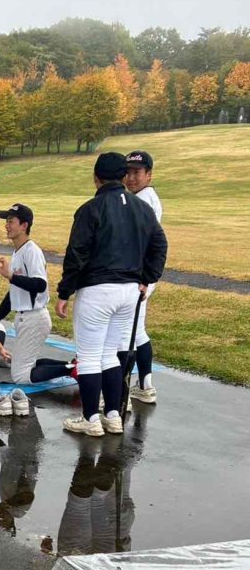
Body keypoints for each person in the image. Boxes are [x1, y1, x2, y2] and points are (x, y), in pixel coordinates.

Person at [55, 152, 168, 438]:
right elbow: (159, 245)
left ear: (96, 178)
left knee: (89, 356)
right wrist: (147, 278)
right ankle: (114, 415)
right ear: (122, 176)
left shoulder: (91, 209)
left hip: (98, 289)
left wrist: (65, 291)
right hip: (129, 291)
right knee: (110, 355)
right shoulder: (141, 208)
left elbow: (77, 253)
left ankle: (91, 418)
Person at [0, 203, 75, 417]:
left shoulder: (32, 251)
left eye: (11, 221)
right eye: (6, 221)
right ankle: (71, 365)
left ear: (24, 225)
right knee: (25, 365)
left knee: (20, 376)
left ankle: (73, 370)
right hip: (26, 318)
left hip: (34, 318)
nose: (6, 225)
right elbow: (15, 292)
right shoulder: (18, 251)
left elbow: (40, 285)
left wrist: (10, 275)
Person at [124, 150, 163, 404]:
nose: (131, 177)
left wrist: (143, 280)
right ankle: (145, 385)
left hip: (138, 276)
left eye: (137, 172)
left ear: (149, 175)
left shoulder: (143, 200)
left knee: (126, 334)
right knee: (137, 332)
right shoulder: (141, 197)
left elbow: (144, 243)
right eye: (127, 172)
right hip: (142, 276)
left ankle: (119, 392)